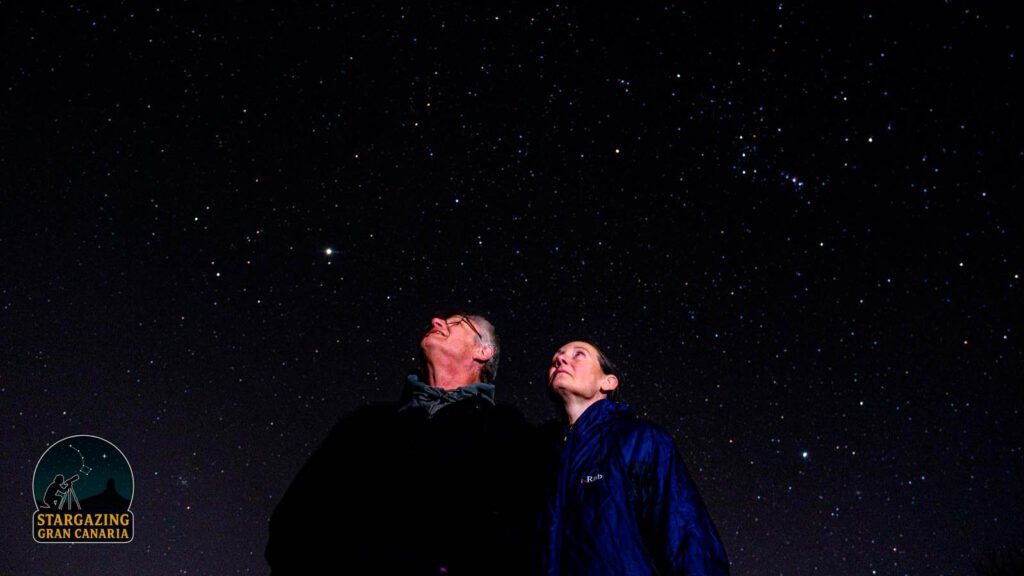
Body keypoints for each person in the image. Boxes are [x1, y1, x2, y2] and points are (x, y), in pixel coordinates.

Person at [266, 312, 538, 575]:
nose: (436, 321)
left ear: (483, 352)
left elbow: (524, 536)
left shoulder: (509, 431)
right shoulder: (365, 425)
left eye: (457, 323)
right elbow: (294, 521)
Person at [542, 340, 730, 576]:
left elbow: (688, 537)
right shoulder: (542, 457)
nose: (560, 360)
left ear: (608, 382)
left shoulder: (641, 439)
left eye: (579, 355)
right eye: (555, 358)